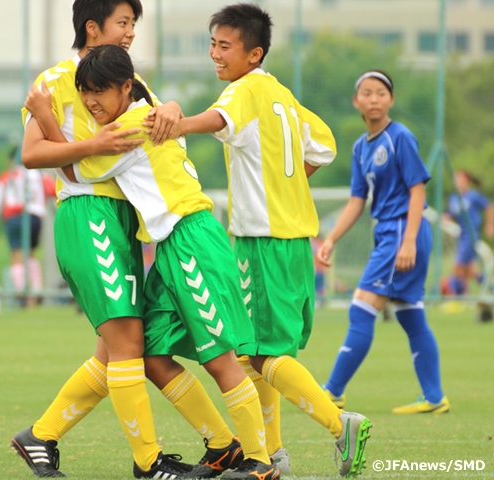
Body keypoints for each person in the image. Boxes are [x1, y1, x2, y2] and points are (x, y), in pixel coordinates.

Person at [11, 1, 243, 478]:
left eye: (134, 24)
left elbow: (160, 119)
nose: (131, 32)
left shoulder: (128, 80)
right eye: (124, 23)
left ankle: (41, 436)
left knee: (119, 350)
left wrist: (173, 106)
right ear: (92, 27)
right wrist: (93, 144)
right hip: (88, 212)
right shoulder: (54, 81)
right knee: (128, 343)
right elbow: (33, 152)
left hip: (124, 220)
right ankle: (150, 463)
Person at [144, 4, 371, 477]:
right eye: (213, 44)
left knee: (263, 353)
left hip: (261, 241)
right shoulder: (283, 95)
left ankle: (339, 423)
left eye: (225, 46)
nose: (215, 54)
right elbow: (324, 145)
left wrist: (177, 125)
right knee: (253, 349)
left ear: (254, 53)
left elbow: (217, 119)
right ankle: (273, 453)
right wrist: (286, 186)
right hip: (290, 239)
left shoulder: (244, 90)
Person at [58, 43, 280, 480]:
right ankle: (221, 447)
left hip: (191, 238)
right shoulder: (149, 105)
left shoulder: (131, 125)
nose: (90, 101)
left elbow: (72, 172)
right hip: (170, 246)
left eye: (99, 90)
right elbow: (159, 107)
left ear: (125, 87)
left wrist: (46, 121)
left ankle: (260, 462)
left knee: (220, 359)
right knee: (153, 353)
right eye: (84, 91)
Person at [314, 70, 450, 415]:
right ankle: (434, 398)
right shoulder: (361, 147)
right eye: (367, 93)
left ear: (390, 99)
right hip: (390, 233)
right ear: (356, 101)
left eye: (381, 93)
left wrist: (408, 242)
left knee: (361, 306)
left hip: (404, 231)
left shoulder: (400, 137)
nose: (374, 99)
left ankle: (332, 391)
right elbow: (358, 199)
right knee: (409, 313)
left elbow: (417, 189)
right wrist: (330, 238)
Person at [0, 146, 53, 306]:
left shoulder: (6, 177)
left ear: (11, 160)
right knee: (31, 254)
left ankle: (21, 292)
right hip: (35, 216)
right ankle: (36, 289)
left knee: (17, 254)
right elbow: (54, 190)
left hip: (15, 216)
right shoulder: (40, 175)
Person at [443, 169, 494, 296]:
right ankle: (490, 289)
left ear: (466, 181)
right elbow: (449, 213)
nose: (457, 182)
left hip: (471, 235)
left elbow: (489, 207)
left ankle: (455, 296)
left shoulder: (473, 196)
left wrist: (490, 225)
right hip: (461, 235)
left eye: (459, 179)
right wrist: (445, 218)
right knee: (472, 270)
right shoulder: (454, 198)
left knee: (458, 266)